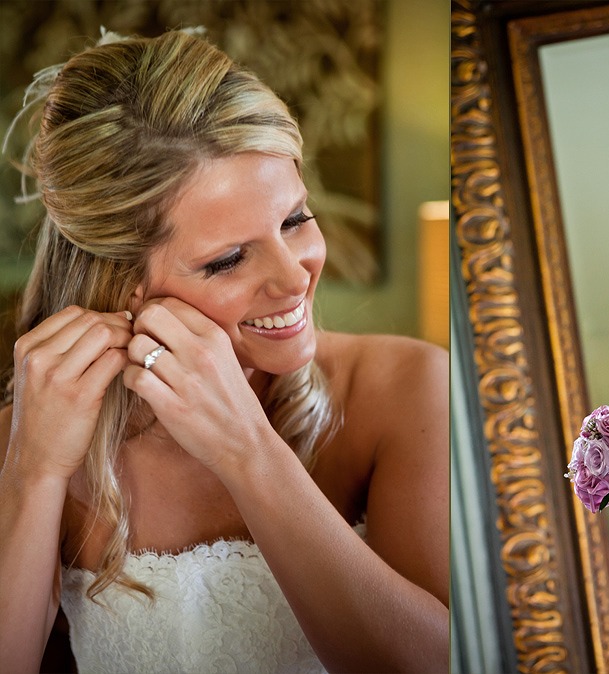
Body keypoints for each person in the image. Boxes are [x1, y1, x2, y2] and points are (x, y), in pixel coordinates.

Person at [0, 28, 449, 674]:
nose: (297, 277)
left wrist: (248, 449)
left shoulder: (410, 389)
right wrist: (32, 472)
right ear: (123, 284)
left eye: (296, 219)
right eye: (229, 259)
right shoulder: (40, 437)